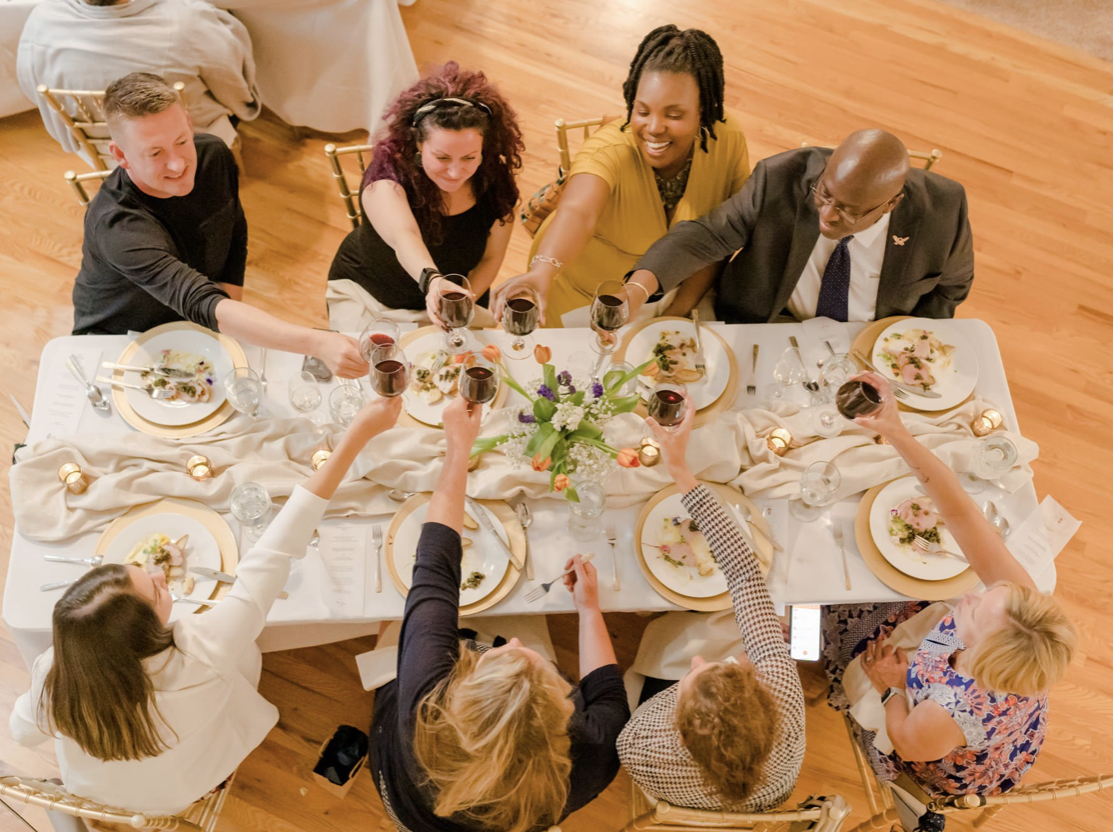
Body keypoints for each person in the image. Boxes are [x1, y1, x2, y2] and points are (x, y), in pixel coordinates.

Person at [9, 396, 403, 814]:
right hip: (185, 789)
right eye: (156, 591)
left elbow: (21, 733)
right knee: (247, 647)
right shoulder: (202, 649)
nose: (160, 577)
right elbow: (275, 551)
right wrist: (356, 437)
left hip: (98, 796)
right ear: (144, 636)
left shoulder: (56, 672)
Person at [368, 396, 629, 832]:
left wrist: (457, 449)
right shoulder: (600, 753)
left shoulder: (424, 712)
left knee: (392, 619)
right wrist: (587, 608)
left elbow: (433, 571)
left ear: (455, 698)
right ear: (568, 712)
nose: (516, 643)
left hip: (406, 791)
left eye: (502, 654)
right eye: (538, 665)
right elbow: (606, 693)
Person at [824, 372, 1075, 797]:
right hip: (963, 690)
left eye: (974, 609)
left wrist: (892, 689)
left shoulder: (950, 711)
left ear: (978, 652)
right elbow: (958, 510)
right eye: (990, 593)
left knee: (845, 633)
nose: (972, 593)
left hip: (935, 749)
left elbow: (907, 739)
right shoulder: (1020, 608)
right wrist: (895, 429)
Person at [71, 72, 365, 378]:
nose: (178, 164)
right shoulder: (118, 226)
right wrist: (317, 342)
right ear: (121, 155)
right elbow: (200, 301)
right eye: (156, 153)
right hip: (120, 340)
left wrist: (225, 314)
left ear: (188, 123)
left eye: (181, 141)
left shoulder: (213, 155)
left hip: (195, 322)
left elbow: (233, 229)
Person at [490, 25, 750, 328]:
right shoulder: (608, 149)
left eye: (674, 114)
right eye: (642, 111)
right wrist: (543, 271)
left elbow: (721, 236)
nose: (653, 127)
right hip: (579, 299)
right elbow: (578, 212)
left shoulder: (726, 138)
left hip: (669, 296)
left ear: (703, 111)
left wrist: (676, 313)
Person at [616, 405, 804, 811]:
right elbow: (744, 573)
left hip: (691, 781)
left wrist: (737, 663)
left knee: (682, 644)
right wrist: (682, 470)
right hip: (768, 794)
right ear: (766, 703)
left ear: (679, 732)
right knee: (788, 619)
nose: (698, 659)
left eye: (693, 673)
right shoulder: (784, 692)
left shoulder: (637, 744)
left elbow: (669, 709)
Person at [624, 129, 975, 324]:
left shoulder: (944, 210)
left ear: (891, 205)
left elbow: (952, 287)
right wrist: (638, 289)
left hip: (869, 344)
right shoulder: (780, 177)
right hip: (769, 325)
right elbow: (708, 234)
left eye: (849, 212)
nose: (828, 215)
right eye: (824, 195)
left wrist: (905, 340)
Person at [327, 61, 522, 326]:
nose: (455, 172)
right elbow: (404, 237)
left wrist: (460, 303)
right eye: (442, 157)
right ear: (418, 144)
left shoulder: (495, 183)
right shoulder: (387, 178)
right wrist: (433, 281)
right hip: (372, 299)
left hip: (453, 299)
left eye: (469, 157)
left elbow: (491, 258)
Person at [17, 0, 259, 164]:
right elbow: (234, 87)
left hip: (106, 148)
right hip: (192, 142)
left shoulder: (41, 20)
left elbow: (32, 90)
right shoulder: (188, 20)